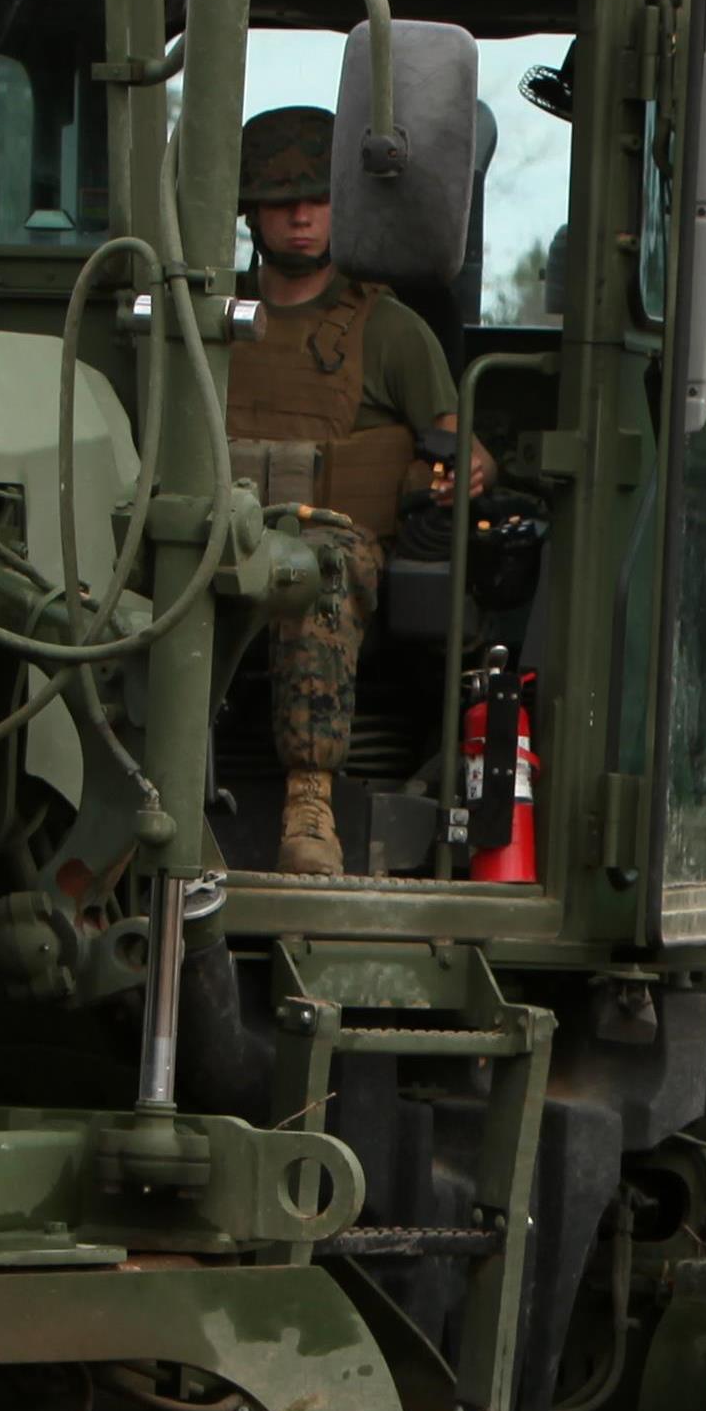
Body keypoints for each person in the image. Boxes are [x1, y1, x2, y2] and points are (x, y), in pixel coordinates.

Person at [229, 104, 466, 875]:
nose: (301, 217)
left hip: (334, 548)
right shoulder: (211, 319)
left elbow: (460, 451)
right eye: (280, 200)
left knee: (314, 569)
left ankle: (308, 804)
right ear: (249, 212)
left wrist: (430, 482)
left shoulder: (386, 330)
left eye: (319, 198)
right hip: (219, 535)